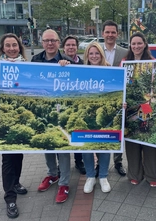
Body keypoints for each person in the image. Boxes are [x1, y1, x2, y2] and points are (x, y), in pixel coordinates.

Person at [32, 29, 76, 203]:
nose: (50, 44)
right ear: (42, 42)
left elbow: (76, 86)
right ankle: (52, 174)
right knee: (47, 142)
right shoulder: (35, 60)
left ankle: (64, 182)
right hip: (43, 108)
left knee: (62, 146)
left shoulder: (69, 61)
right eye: (46, 41)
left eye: (53, 40)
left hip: (61, 109)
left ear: (59, 43)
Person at [0, 33, 28, 218]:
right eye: (8, 46)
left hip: (22, 116)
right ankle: (10, 199)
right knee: (7, 158)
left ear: (19, 47)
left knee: (19, 154)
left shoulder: (27, 65)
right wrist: (9, 72)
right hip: (6, 117)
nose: (12, 48)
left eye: (15, 45)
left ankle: (16, 182)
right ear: (3, 48)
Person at [121, 32, 156, 187]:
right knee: (132, 140)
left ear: (145, 44)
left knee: (148, 139)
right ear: (130, 46)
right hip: (130, 105)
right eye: (133, 44)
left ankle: (152, 175)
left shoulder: (154, 62)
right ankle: (134, 174)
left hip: (146, 104)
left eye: (139, 43)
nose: (136, 46)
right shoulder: (125, 62)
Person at [82, 42, 112, 194]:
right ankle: (90, 177)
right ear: (87, 56)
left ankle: (103, 176)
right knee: (86, 146)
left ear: (101, 54)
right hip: (86, 114)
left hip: (104, 114)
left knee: (105, 145)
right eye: (91, 53)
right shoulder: (80, 71)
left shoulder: (111, 71)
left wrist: (122, 104)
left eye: (97, 53)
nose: (94, 56)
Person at [101, 19, 129, 176]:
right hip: (101, 97)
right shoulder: (97, 50)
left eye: (113, 32)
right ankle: (100, 161)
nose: (110, 35)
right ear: (103, 33)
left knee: (118, 129)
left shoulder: (124, 53)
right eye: (107, 32)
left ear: (117, 34)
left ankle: (118, 162)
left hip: (119, 97)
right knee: (102, 128)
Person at [61, 35, 86, 175]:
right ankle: (62, 166)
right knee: (64, 131)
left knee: (77, 130)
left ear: (77, 47)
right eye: (68, 45)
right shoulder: (59, 63)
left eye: (73, 45)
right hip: (64, 104)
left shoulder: (83, 63)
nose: (71, 47)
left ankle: (79, 161)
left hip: (78, 104)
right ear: (64, 47)